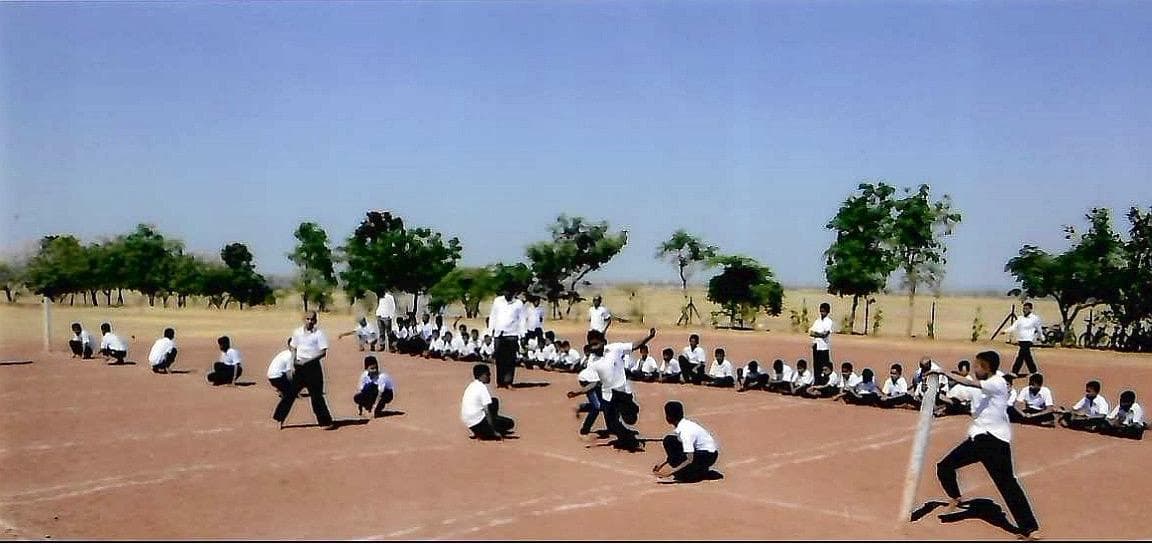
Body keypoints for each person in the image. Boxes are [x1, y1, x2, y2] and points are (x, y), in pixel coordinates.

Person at [932, 350, 1040, 540]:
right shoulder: (979, 384)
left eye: (977, 365)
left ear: (987, 368)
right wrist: (933, 388)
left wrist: (943, 372)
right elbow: (959, 393)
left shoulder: (997, 382)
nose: (974, 368)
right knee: (944, 467)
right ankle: (956, 497)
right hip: (978, 439)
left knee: (1007, 484)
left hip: (995, 442)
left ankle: (1029, 527)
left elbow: (969, 383)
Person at [567, 328, 657, 451]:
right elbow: (594, 383)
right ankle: (630, 441)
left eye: (596, 344)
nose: (593, 347)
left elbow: (634, 345)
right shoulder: (592, 362)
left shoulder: (615, 348)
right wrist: (578, 392)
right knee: (612, 425)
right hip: (608, 395)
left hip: (623, 392)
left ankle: (631, 413)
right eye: (591, 345)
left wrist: (649, 337)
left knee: (631, 420)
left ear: (603, 342)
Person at [273, 311, 335, 430]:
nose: (310, 322)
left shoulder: (319, 334)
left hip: (313, 367)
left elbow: (323, 352)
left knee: (317, 396)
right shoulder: (297, 333)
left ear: (315, 320)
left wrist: (308, 361)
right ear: (303, 319)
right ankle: (279, 419)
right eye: (307, 319)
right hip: (299, 368)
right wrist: (292, 364)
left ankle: (325, 421)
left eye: (312, 319)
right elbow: (293, 347)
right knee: (290, 394)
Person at [652, 401, 721, 483]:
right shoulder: (683, 425)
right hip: (704, 453)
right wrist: (662, 464)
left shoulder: (685, 432)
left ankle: (698, 472)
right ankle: (693, 470)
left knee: (684, 475)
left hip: (707, 456)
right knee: (670, 440)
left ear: (668, 417)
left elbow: (689, 459)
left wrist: (670, 473)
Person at [461, 364, 515, 440]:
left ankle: (481, 430)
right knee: (510, 423)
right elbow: (487, 411)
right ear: (482, 376)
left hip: (470, 423)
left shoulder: (471, 385)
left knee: (494, 401)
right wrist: (494, 431)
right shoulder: (482, 388)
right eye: (488, 374)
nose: (489, 376)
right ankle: (488, 432)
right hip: (478, 422)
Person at [486, 286, 526, 389]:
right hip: (499, 334)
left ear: (513, 292)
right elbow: (493, 316)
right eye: (505, 290)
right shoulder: (498, 301)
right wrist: (490, 332)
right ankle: (500, 381)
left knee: (510, 359)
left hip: (512, 334)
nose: (506, 293)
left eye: (509, 291)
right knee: (499, 359)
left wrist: (522, 335)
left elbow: (522, 320)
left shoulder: (518, 304)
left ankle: (508, 381)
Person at [1004, 302, 1043, 376]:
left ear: (1031, 309)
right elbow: (1013, 327)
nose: (1024, 310)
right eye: (1024, 308)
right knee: (1027, 356)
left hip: (1028, 340)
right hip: (1021, 339)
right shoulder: (1020, 318)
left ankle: (1014, 371)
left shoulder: (1035, 318)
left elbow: (1039, 329)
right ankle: (1034, 372)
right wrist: (1005, 331)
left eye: (1026, 309)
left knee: (1021, 355)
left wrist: (1042, 337)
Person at [568, 360, 603, 437]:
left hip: (593, 381)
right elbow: (590, 386)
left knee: (605, 404)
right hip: (587, 380)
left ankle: (583, 407)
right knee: (597, 407)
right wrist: (577, 393)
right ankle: (585, 429)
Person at [808, 302, 834, 378]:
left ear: (827, 312)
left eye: (824, 311)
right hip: (816, 346)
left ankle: (824, 381)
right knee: (816, 365)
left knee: (824, 365)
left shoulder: (829, 321)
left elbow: (825, 334)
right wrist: (819, 334)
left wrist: (816, 334)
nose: (822, 313)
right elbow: (811, 332)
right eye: (821, 311)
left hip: (823, 347)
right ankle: (816, 381)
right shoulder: (817, 321)